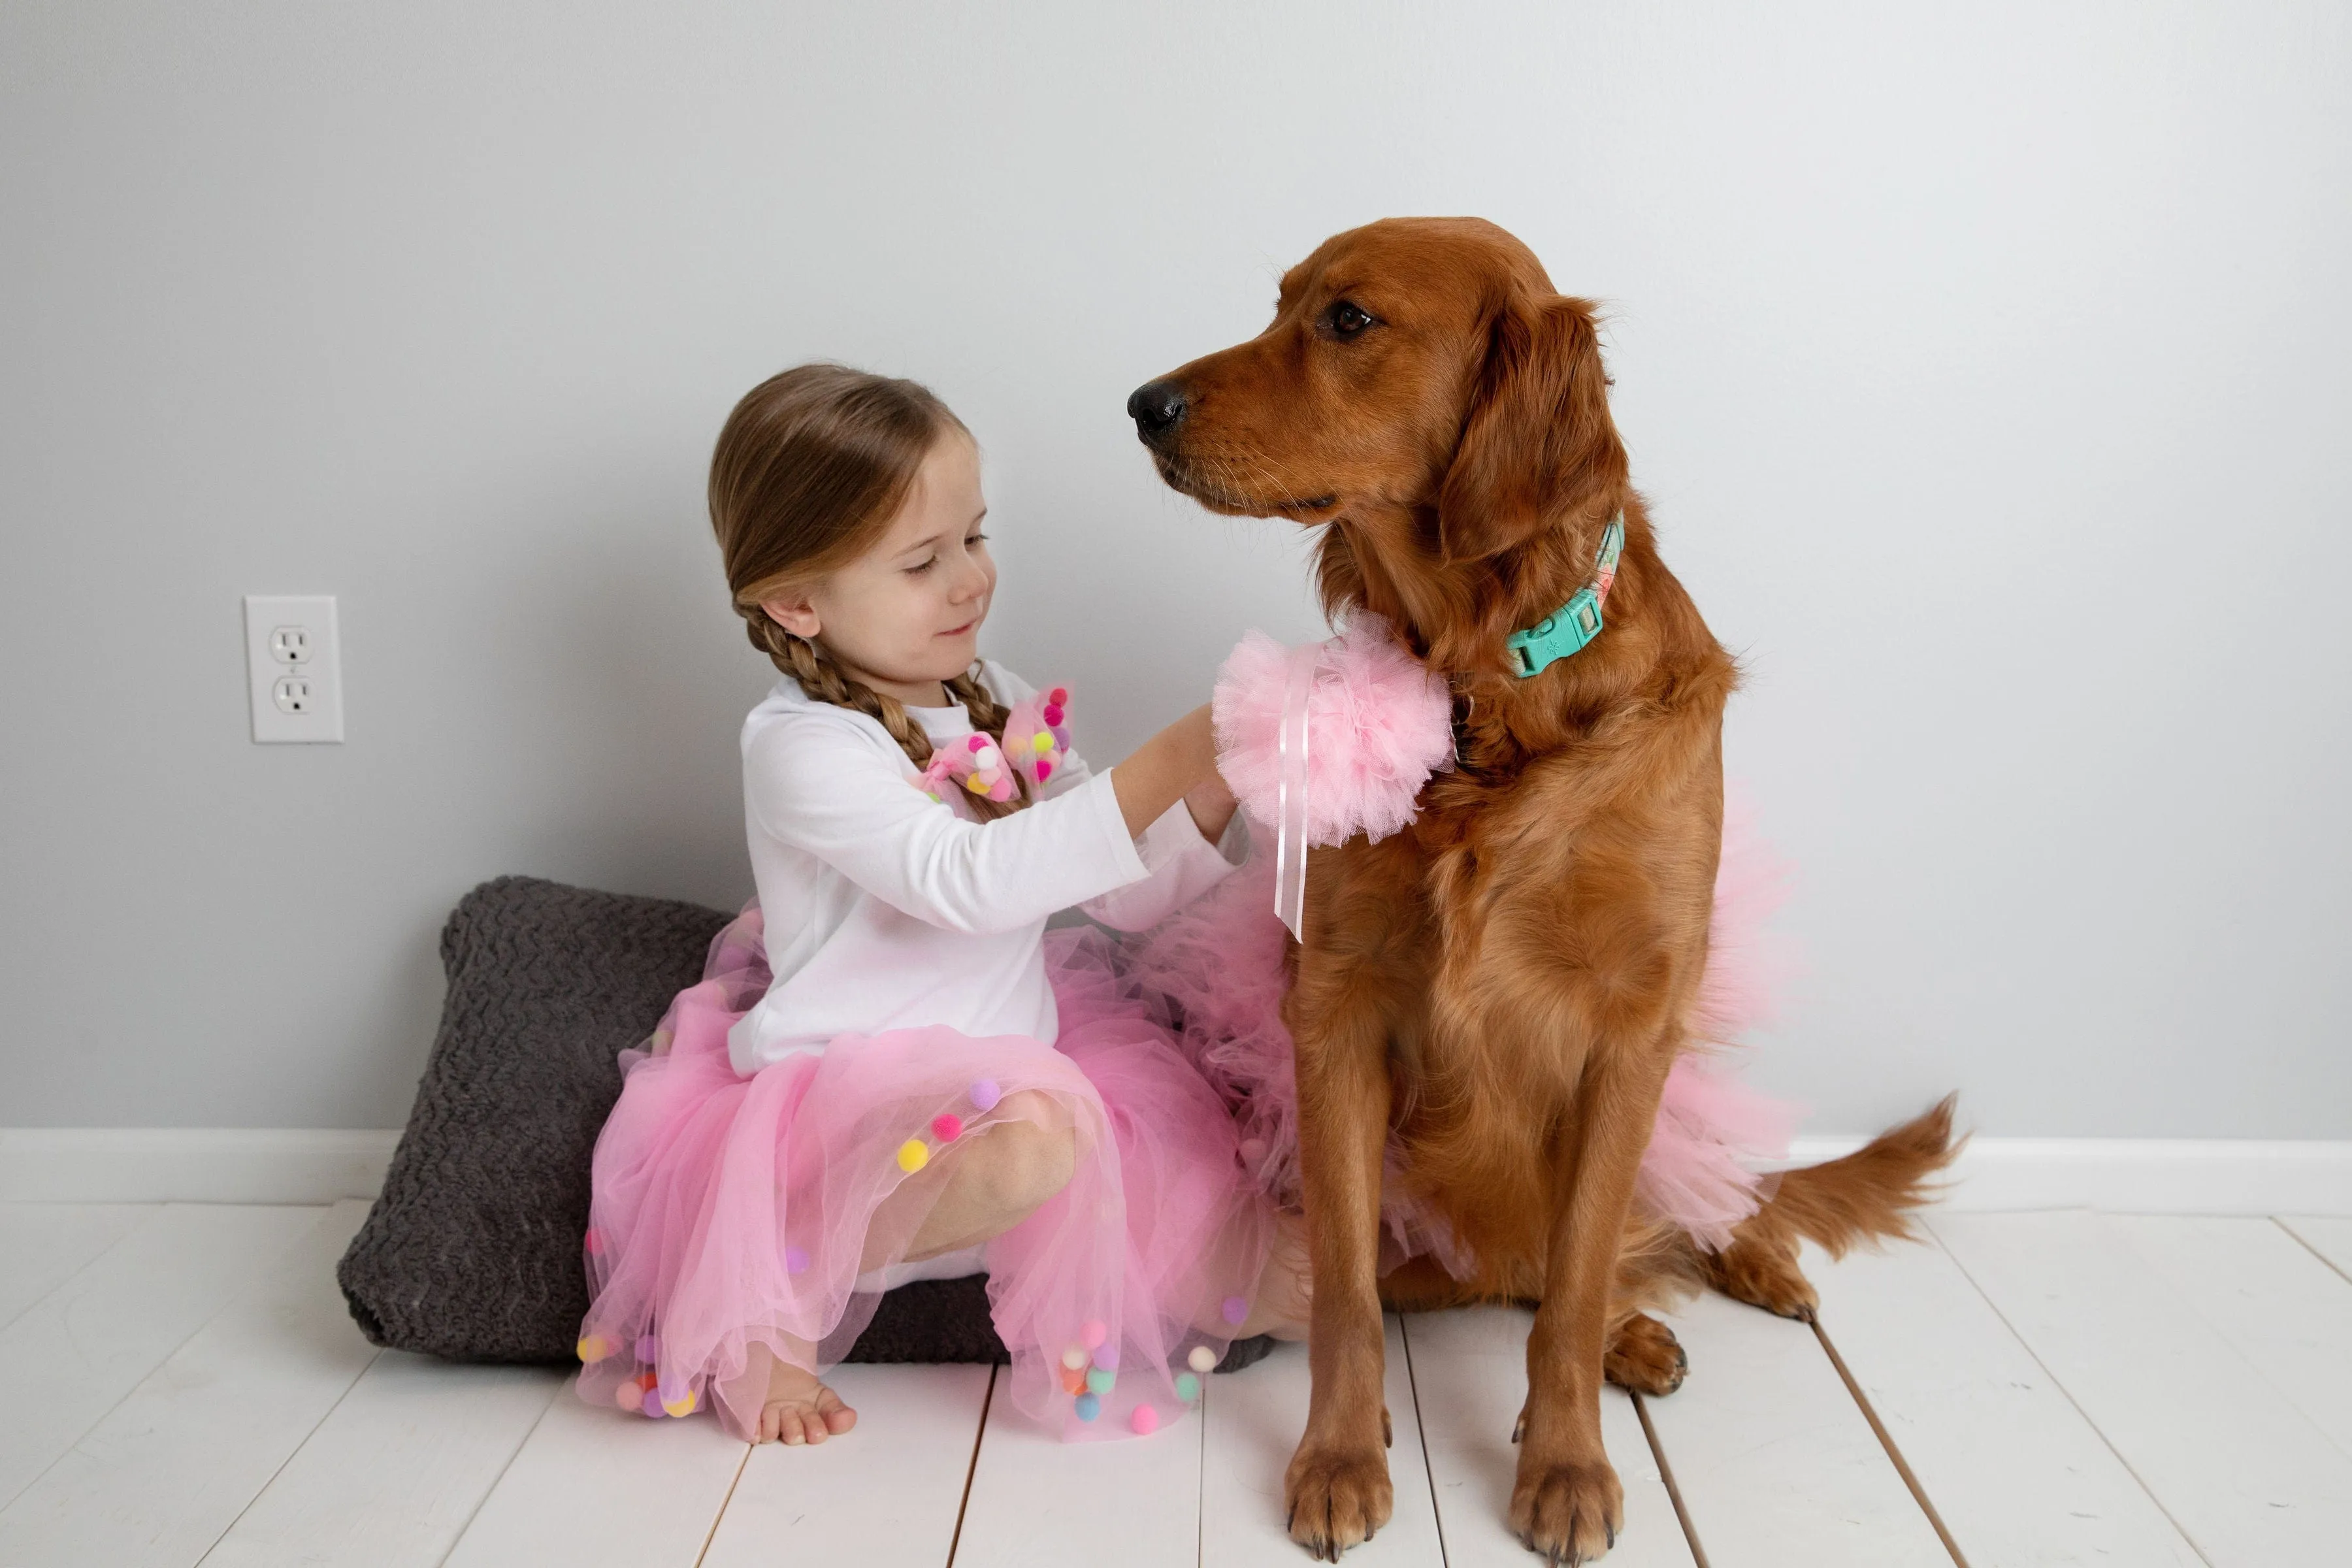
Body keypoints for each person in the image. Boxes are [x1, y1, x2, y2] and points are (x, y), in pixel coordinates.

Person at [575, 363, 1304, 1446]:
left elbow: (1122, 893)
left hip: (1024, 1082)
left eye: (975, 536)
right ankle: (768, 1282)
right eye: (923, 562)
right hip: (863, 1124)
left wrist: (1210, 785)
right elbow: (970, 883)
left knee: (1291, 1282)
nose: (971, 581)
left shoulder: (992, 696)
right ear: (797, 602)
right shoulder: (800, 747)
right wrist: (1165, 756)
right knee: (1036, 1142)